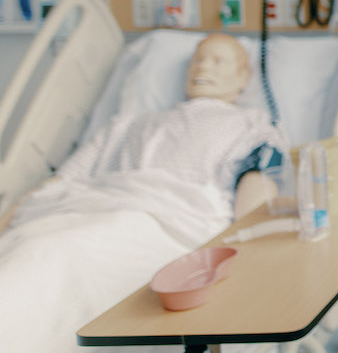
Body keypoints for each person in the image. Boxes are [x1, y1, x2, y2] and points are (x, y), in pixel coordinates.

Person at [0, 33, 285, 232]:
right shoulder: (130, 123)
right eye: (197, 60)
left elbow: (256, 197)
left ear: (243, 77)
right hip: (95, 208)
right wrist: (15, 214)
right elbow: (64, 179)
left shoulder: (251, 126)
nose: (203, 67)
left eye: (217, 61)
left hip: (174, 219)